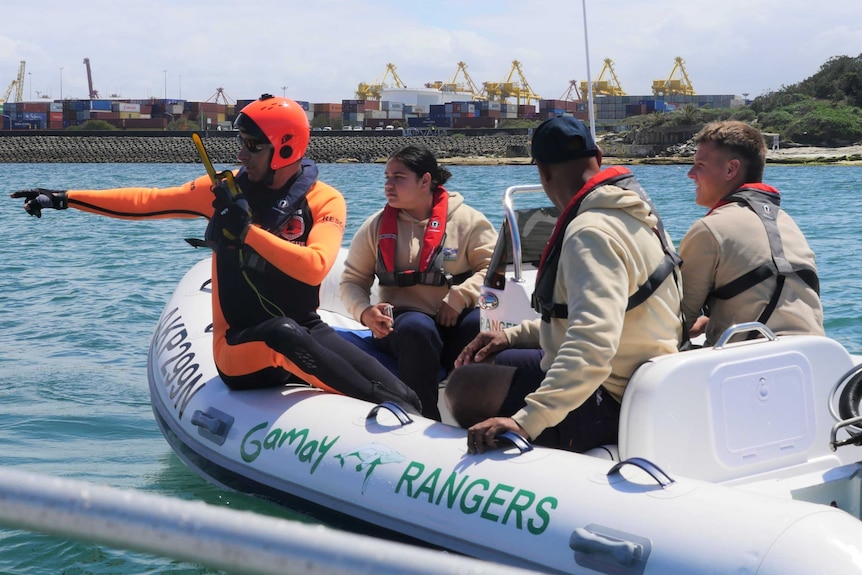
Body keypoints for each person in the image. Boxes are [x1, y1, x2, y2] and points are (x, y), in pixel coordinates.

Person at [10, 93, 421, 414]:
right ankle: (384, 408)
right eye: (239, 142)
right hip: (238, 346)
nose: (240, 153)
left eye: (252, 145)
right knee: (282, 334)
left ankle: (403, 417)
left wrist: (247, 231)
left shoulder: (325, 200)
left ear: (284, 149)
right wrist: (64, 197)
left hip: (307, 328)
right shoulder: (224, 192)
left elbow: (314, 269)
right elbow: (148, 201)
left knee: (407, 396)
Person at [444, 115, 683, 454]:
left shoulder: (589, 233)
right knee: (495, 356)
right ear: (598, 158)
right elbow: (601, 317)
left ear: (542, 173)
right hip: (646, 377)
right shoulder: (639, 215)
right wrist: (510, 335)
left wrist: (526, 420)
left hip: (610, 398)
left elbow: (594, 345)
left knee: (465, 385)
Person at [339, 144, 497, 420]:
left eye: (398, 177)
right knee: (417, 328)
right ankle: (424, 417)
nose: (389, 185)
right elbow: (352, 280)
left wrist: (461, 296)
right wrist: (365, 312)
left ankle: (477, 416)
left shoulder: (469, 221)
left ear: (425, 180)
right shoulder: (375, 226)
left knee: (478, 324)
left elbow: (493, 269)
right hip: (404, 326)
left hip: (454, 320)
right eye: (387, 177)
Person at [679, 120, 824, 345]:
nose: (690, 173)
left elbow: (676, 324)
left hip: (749, 369)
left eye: (700, 164)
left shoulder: (709, 230)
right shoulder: (786, 222)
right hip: (814, 358)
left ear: (731, 169)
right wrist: (712, 320)